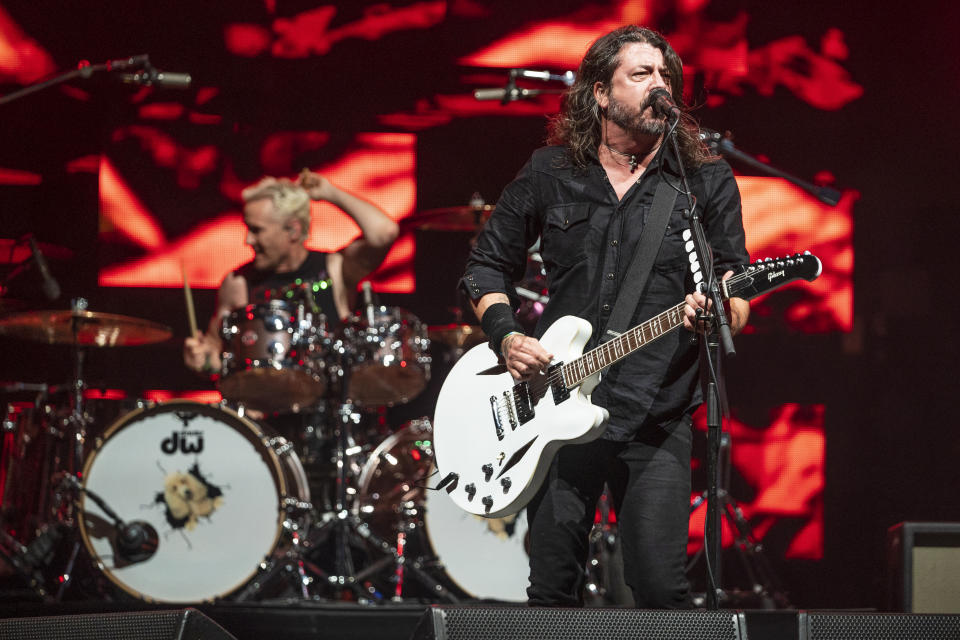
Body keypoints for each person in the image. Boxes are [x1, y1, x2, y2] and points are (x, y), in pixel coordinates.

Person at [460, 25, 750, 608]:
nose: (658, 85)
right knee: (551, 589)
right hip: (556, 410)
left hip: (658, 412)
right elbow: (485, 267)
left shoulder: (702, 181)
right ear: (599, 93)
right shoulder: (550, 171)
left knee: (664, 591)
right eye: (641, 74)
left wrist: (718, 311)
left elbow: (736, 292)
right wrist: (508, 337)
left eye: (665, 75)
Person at [183, 169, 399, 376]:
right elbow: (217, 355)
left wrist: (330, 193)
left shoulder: (335, 268)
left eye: (257, 230)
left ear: (293, 230)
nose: (248, 240)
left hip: (329, 408)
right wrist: (204, 361)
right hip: (265, 408)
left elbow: (384, 232)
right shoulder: (238, 283)